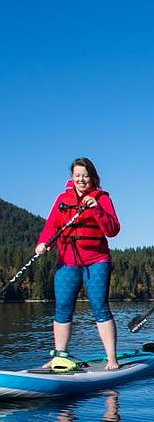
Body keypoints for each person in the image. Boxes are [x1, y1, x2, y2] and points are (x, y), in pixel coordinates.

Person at [35, 157, 121, 370]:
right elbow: (51, 226)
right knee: (63, 308)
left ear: (93, 178)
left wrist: (96, 209)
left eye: (85, 176)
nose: (81, 179)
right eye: (77, 176)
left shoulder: (102, 199)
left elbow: (113, 230)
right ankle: (59, 356)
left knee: (99, 307)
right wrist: (43, 243)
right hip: (67, 260)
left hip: (96, 261)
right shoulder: (62, 198)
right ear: (72, 178)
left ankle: (111, 358)